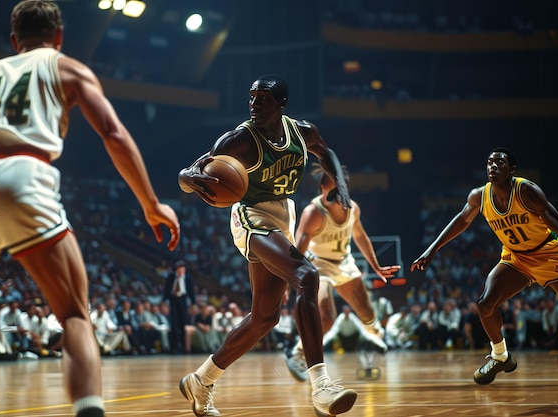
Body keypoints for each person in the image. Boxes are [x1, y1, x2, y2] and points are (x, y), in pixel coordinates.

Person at [0, 2, 180, 416]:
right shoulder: (67, 68)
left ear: (14, 41)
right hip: (25, 174)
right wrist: (151, 203)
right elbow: (113, 133)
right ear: (60, 36)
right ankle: (88, 408)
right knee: (73, 315)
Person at [178, 74, 357, 417]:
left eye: (263, 99)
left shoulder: (302, 133)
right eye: (251, 98)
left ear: (281, 104)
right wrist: (188, 179)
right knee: (307, 276)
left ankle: (201, 381)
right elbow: (191, 171)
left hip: (281, 217)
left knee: (265, 318)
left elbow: (327, 152)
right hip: (251, 217)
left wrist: (342, 185)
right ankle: (320, 384)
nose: (254, 104)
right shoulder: (241, 139)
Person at [411, 147, 558, 385]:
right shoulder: (479, 196)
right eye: (490, 162)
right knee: (485, 304)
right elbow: (461, 220)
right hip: (516, 257)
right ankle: (501, 356)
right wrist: (432, 250)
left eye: (500, 162)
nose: (493, 166)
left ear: (511, 169)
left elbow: (551, 216)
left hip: (547, 253)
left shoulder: (526, 190)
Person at [285, 165, 401, 380]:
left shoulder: (353, 209)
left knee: (367, 313)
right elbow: (297, 251)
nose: (337, 194)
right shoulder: (313, 213)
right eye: (332, 189)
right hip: (318, 264)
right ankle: (297, 353)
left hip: (344, 262)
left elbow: (360, 236)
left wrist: (375, 266)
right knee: (327, 317)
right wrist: (287, 282)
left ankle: (376, 336)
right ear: (322, 188)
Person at [163, 260, 196, 353]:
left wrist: (193, 304)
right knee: (174, 324)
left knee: (183, 324)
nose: (180, 270)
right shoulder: (171, 277)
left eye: (182, 268)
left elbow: (191, 292)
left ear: (184, 269)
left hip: (183, 301)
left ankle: (183, 346)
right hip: (173, 300)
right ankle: (173, 347)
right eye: (178, 268)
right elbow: (166, 291)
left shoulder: (188, 278)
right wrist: (164, 303)